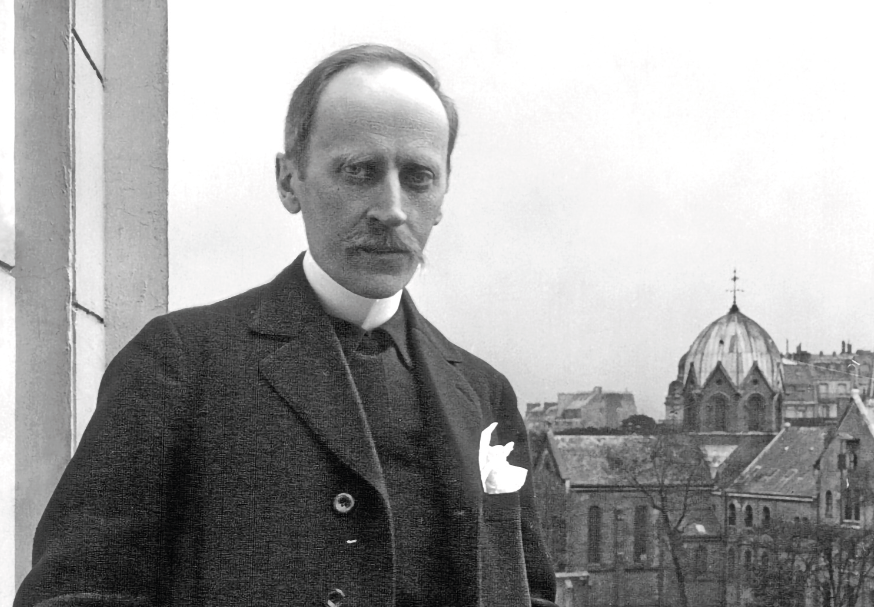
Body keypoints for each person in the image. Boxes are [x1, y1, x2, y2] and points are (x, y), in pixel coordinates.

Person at [15, 44, 557, 607]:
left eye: (418, 177)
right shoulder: (180, 364)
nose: (391, 209)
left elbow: (527, 592)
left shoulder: (484, 392)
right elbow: (72, 593)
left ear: (443, 196)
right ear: (288, 181)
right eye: (359, 171)